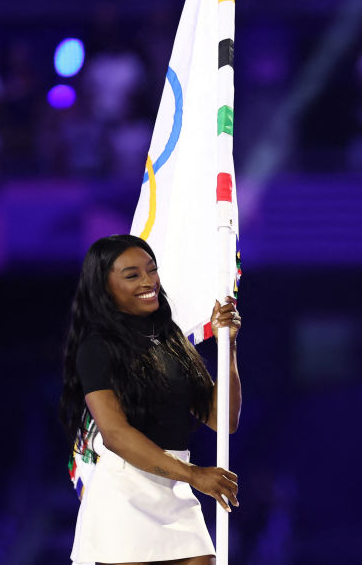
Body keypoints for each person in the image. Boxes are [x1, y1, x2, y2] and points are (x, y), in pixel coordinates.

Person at [60, 234, 242, 565]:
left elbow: (224, 421)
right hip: (124, 492)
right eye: (132, 275)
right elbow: (115, 436)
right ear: (104, 288)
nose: (149, 281)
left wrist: (226, 345)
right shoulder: (97, 348)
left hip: (176, 490)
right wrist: (194, 474)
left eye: (152, 270)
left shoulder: (172, 342)